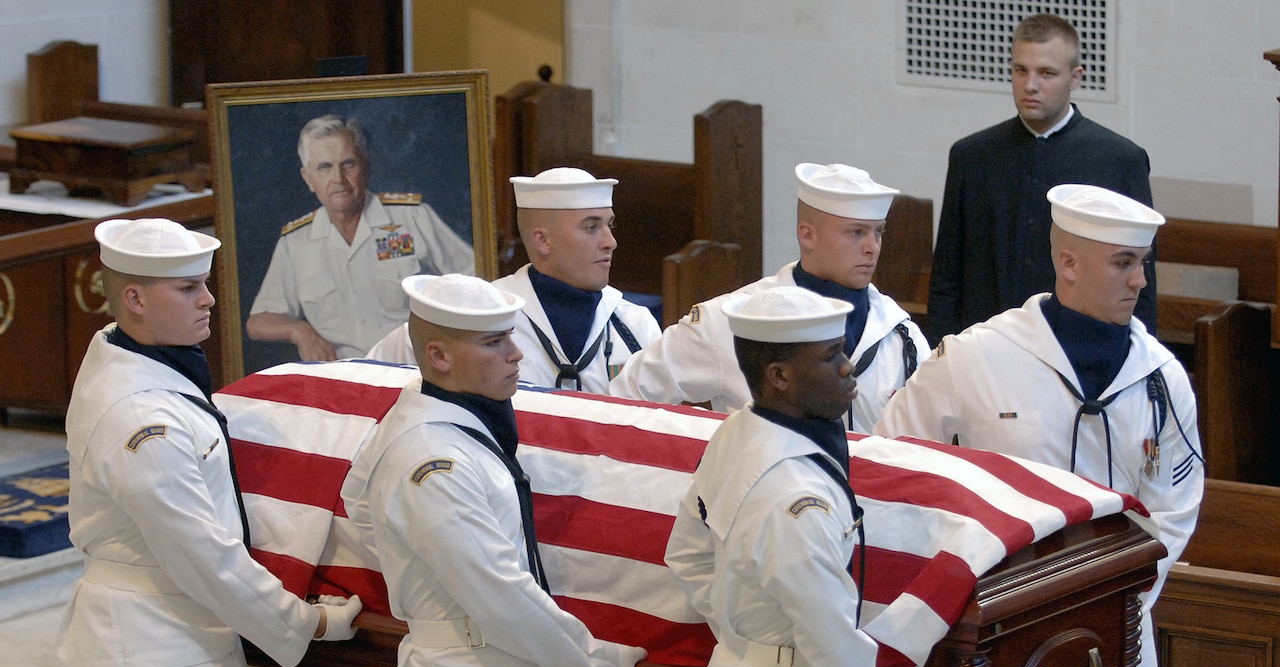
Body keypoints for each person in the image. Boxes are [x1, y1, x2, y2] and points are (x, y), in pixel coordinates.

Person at [875, 185, 1204, 667]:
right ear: (1068, 261)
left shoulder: (1159, 376)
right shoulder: (981, 357)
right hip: (1021, 631)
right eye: (1122, 263)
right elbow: (898, 458)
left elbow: (1179, 499)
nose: (1139, 282)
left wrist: (1126, 595)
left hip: (1124, 627)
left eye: (1143, 263)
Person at [58, 217, 362, 667]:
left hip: (179, 640)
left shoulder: (137, 362)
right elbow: (202, 553)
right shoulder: (140, 417)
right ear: (133, 299)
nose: (209, 301)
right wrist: (302, 622)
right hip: (152, 648)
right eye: (188, 288)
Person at [341, 273, 648, 667]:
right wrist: (593, 663)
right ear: (438, 357)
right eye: (493, 343)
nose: (516, 355)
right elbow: (499, 591)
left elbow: (358, 500)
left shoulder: (445, 421)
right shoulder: (431, 456)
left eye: (511, 338)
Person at [665, 285, 903, 667]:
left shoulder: (743, 434)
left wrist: (747, 629)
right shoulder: (792, 494)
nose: (850, 367)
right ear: (779, 377)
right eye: (831, 358)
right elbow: (826, 632)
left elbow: (687, 553)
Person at [609, 163, 928, 435]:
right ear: (808, 235)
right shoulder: (734, 319)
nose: (872, 246)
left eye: (878, 232)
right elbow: (627, 396)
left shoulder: (900, 334)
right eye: (856, 232)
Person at [927, 13, 1158, 340]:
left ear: (1075, 77)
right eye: (1020, 70)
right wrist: (938, 354)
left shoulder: (1120, 160)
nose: (1030, 85)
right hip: (984, 346)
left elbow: (1140, 280)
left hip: (1080, 346)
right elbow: (947, 275)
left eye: (1046, 73)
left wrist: (1140, 363)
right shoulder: (972, 155)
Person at [368, 166, 661, 393]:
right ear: (543, 241)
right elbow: (366, 378)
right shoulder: (478, 316)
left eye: (609, 225)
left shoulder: (634, 326)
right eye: (591, 227)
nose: (610, 242)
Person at [247, 114, 476, 360]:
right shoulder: (295, 244)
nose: (339, 179)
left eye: (348, 164)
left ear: (365, 165)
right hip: (341, 378)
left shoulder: (413, 218)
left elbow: (477, 279)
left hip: (415, 369)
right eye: (324, 167)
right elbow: (258, 321)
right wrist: (299, 330)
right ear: (308, 178)